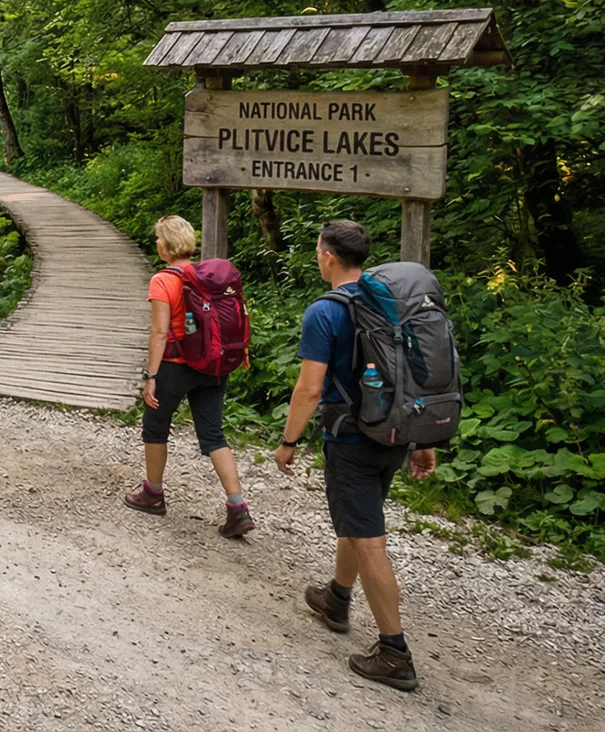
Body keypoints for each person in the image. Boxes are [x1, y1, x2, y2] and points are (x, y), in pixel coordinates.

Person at [275, 219, 437, 692]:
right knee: (358, 517)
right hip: (394, 431)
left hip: (351, 438)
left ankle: (394, 652)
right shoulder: (391, 302)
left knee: (368, 537)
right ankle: (337, 598)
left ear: (327, 256)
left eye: (318, 250)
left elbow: (309, 388)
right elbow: (416, 373)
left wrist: (288, 443)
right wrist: (421, 439)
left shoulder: (324, 312)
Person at [123, 216, 256, 538]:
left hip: (176, 365)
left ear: (165, 246)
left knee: (155, 427)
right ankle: (237, 506)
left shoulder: (163, 280)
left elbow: (159, 332)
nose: (156, 243)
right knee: (213, 435)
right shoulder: (207, 277)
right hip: (212, 365)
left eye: (158, 238)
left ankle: (153, 494)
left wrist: (150, 375)